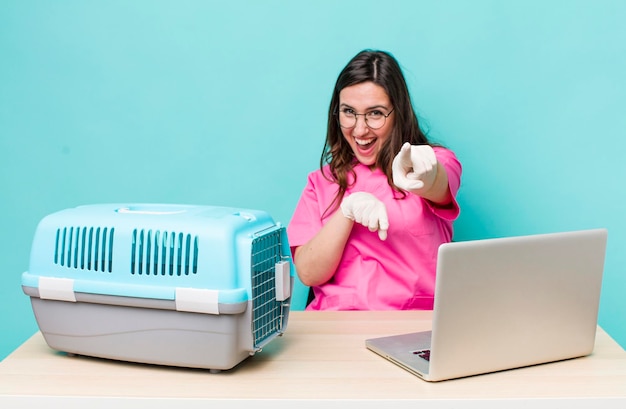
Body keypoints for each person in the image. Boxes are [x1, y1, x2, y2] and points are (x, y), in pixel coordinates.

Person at [287, 49, 462, 310]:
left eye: (375, 113)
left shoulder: (433, 161)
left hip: (413, 329)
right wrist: (346, 212)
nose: (359, 129)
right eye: (348, 112)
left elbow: (437, 184)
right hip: (335, 329)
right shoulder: (321, 182)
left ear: (398, 113)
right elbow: (309, 274)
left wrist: (426, 175)